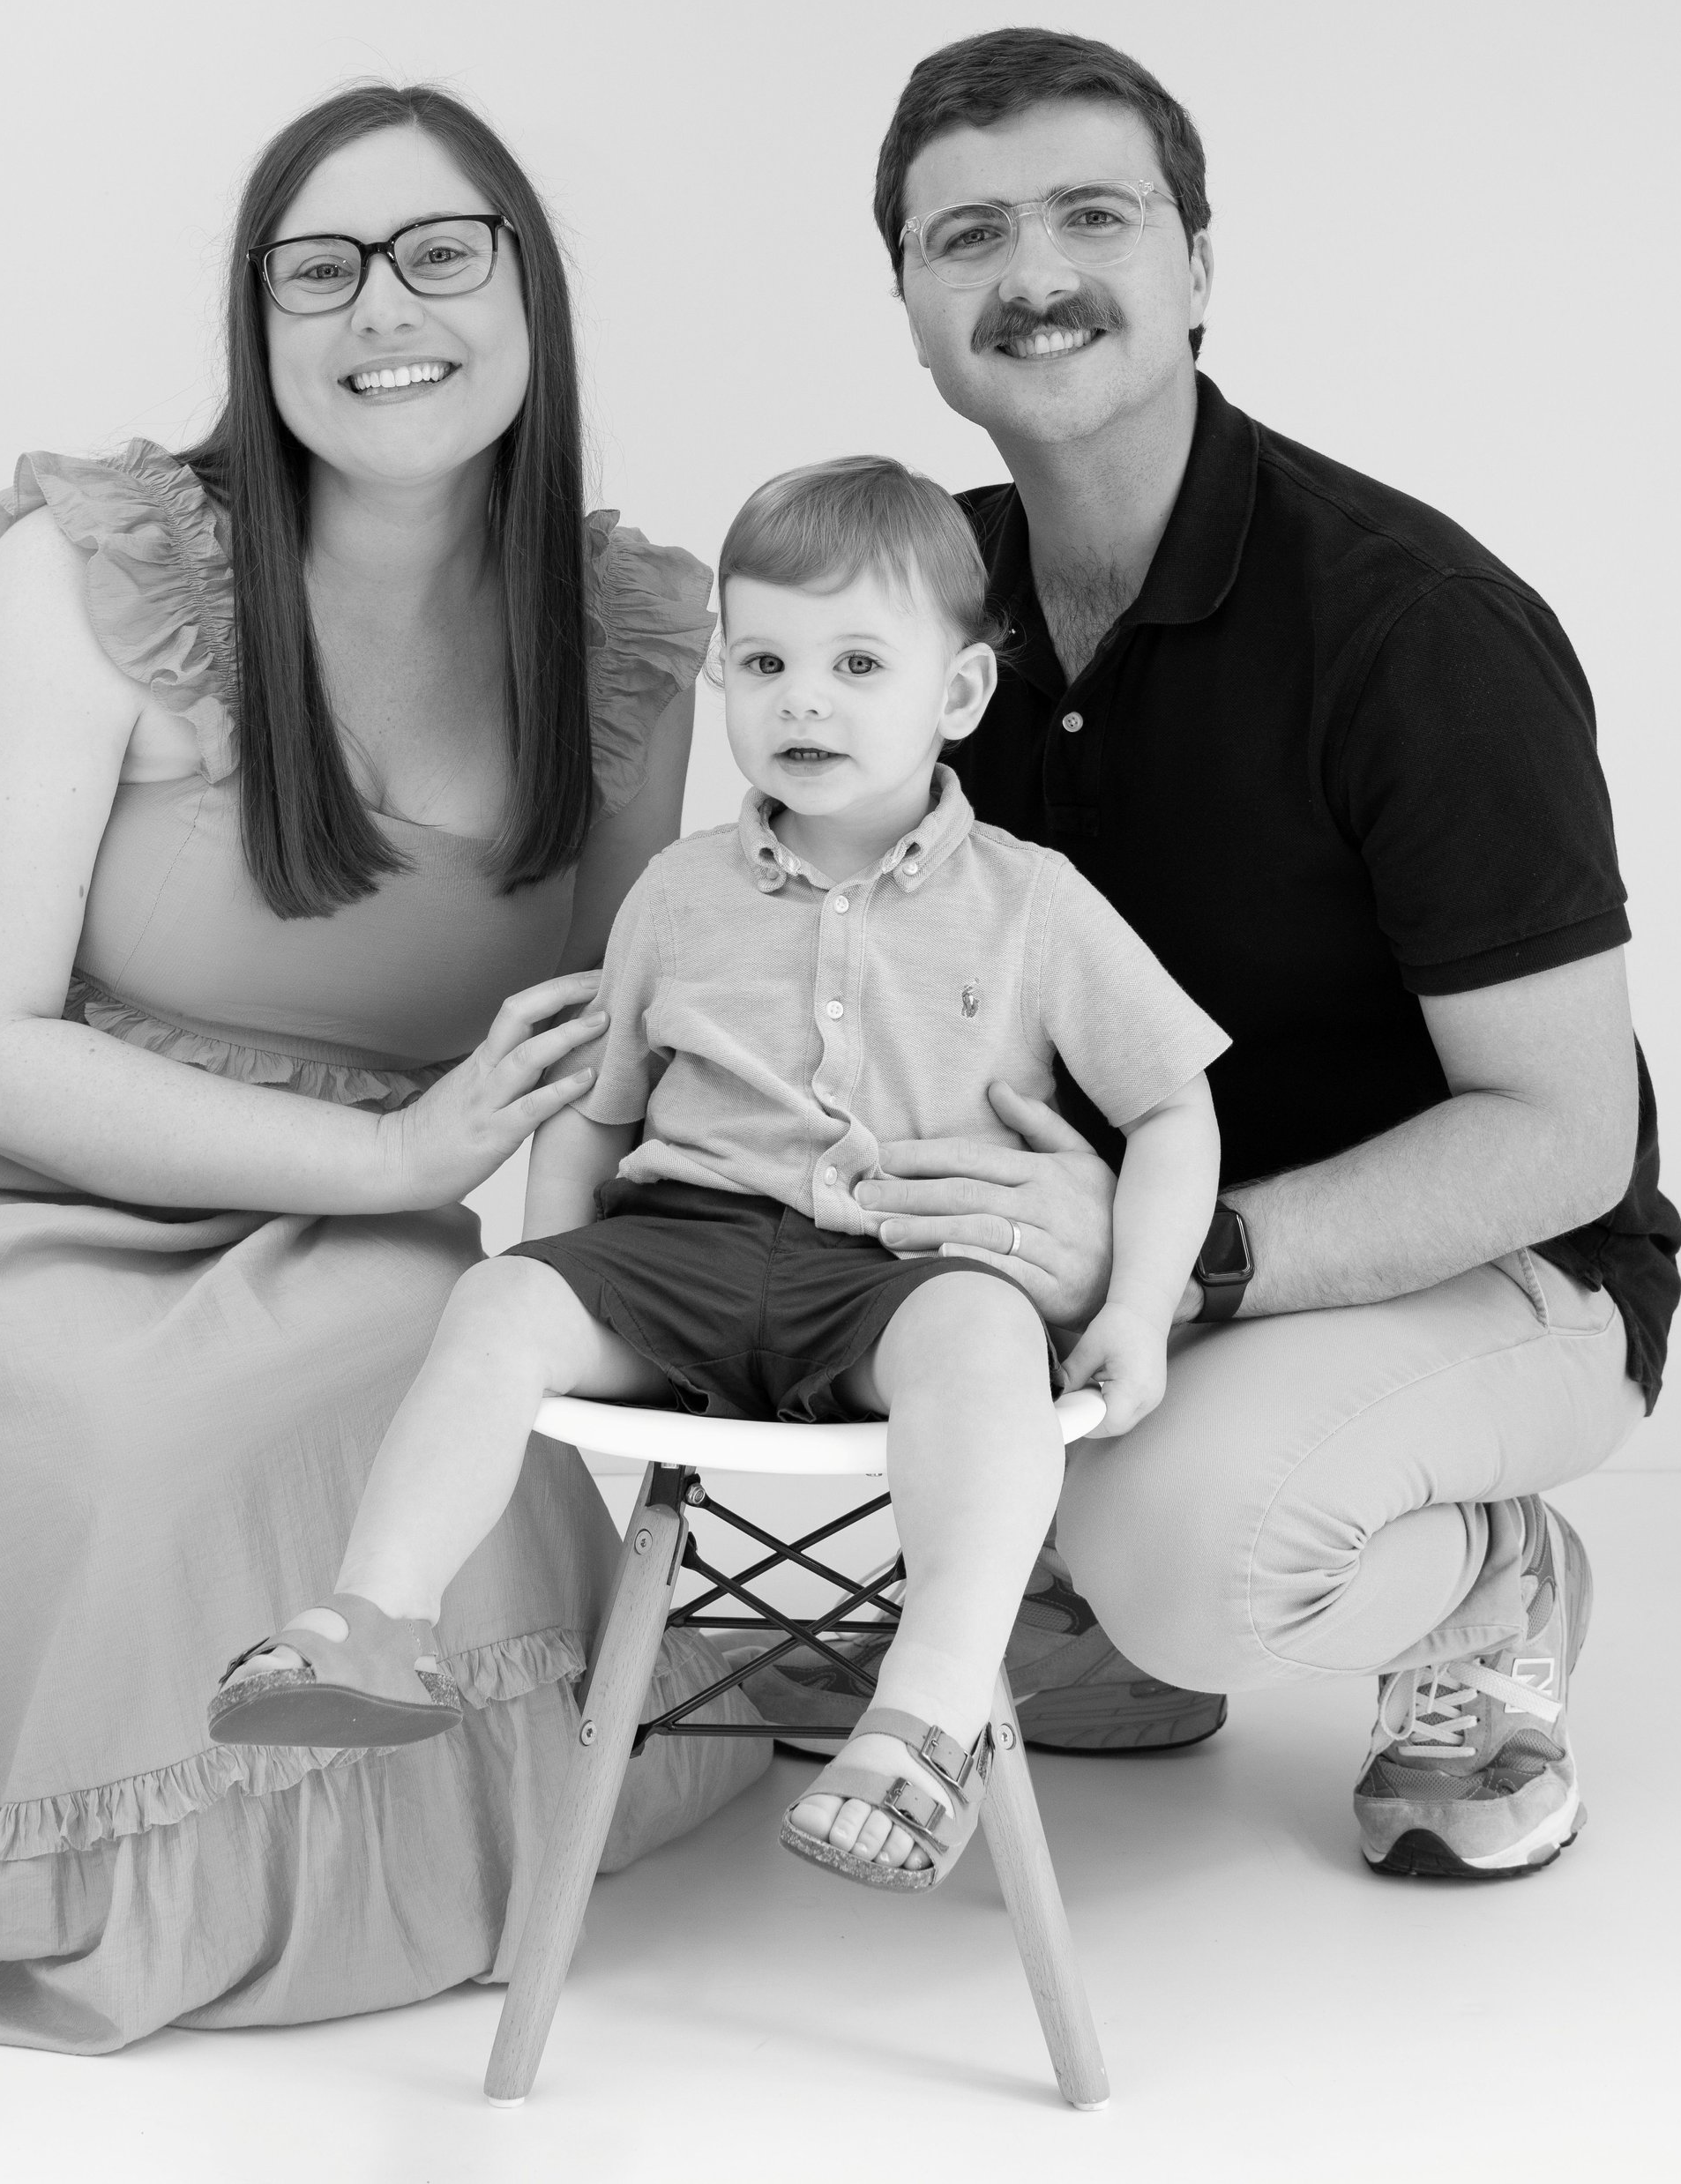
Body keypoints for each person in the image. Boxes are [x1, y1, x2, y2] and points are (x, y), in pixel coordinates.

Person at [0, 81, 768, 2049]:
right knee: (133, 1442)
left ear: (529, 299)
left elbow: (600, 1050)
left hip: (350, 1190)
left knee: (427, 1369)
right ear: (255, 326)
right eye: (314, 268)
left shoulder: (628, 643)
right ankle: (55, 1843)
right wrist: (404, 1163)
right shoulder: (97, 569)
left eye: (441, 253)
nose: (380, 310)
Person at [831, 26, 1679, 1883]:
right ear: (904, 298)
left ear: (1196, 269)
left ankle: (1487, 1588)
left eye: (1090, 216)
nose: (1032, 275)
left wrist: (1175, 1262)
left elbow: (1558, 1136)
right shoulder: (922, 612)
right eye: (963, 234)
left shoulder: (1413, 628)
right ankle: (1092, 1555)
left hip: (1495, 1260)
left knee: (1193, 1561)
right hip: (1128, 1267)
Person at [206, 457, 1224, 1894]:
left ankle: (927, 1713)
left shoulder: (1032, 901)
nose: (802, 699)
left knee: (988, 1341)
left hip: (900, 1274)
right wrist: (552, 1274)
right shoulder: (678, 892)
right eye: (763, 660)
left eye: (857, 661)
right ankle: (376, 1619)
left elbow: (1174, 1104)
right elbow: (597, 1111)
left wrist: (1134, 1299)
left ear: (962, 695)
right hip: (682, 1248)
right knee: (494, 1304)